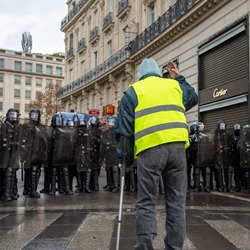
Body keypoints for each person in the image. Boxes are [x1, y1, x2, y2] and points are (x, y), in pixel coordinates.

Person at [115, 58, 198, 250]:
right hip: (177, 150)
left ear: (139, 75)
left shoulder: (133, 91)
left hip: (150, 150)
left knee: (146, 201)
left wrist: (124, 160)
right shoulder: (174, 86)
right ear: (159, 73)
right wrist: (179, 78)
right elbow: (192, 97)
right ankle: (174, 247)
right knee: (176, 202)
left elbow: (124, 132)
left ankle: (145, 246)